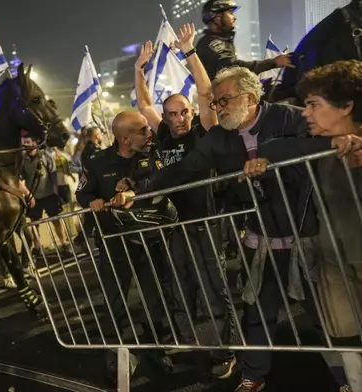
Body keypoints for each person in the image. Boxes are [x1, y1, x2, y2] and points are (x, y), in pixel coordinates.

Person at [147, 65, 362, 392]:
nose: (218, 109)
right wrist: (140, 189)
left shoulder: (289, 118)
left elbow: (300, 146)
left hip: (309, 235)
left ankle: (345, 378)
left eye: (224, 101)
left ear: (248, 97)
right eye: (215, 103)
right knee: (258, 312)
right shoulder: (219, 137)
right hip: (260, 238)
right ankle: (253, 376)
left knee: (327, 316)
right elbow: (185, 170)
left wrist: (327, 146)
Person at [242, 60, 362, 392]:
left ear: (346, 105)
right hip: (330, 261)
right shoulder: (314, 146)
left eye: (313, 104)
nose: (305, 113)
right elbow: (273, 149)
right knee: (344, 335)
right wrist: (330, 145)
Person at [133, 23, 235, 379]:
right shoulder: (163, 133)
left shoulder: (201, 133)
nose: (177, 119)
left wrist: (190, 51)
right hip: (175, 226)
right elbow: (144, 103)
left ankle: (224, 350)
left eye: (183, 113)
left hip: (205, 223)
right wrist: (138, 70)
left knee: (213, 284)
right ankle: (195, 343)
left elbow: (206, 94)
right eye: (172, 114)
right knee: (181, 284)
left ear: (192, 114)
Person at [76, 110, 174, 384]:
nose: (149, 134)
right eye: (142, 130)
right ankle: (114, 351)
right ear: (124, 138)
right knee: (114, 300)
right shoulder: (97, 162)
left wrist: (132, 187)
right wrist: (91, 202)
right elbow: (82, 193)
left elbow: (163, 182)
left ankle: (156, 348)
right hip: (114, 243)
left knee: (155, 299)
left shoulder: (152, 156)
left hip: (149, 240)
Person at [196, 0, 293, 81]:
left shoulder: (219, 40)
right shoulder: (213, 44)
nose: (235, 17)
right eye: (230, 13)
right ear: (217, 17)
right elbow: (234, 69)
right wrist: (274, 62)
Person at [19, 133, 68, 253]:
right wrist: (27, 195)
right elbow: (21, 179)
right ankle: (37, 247)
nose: (25, 145)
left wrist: (56, 193)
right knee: (35, 223)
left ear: (35, 143)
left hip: (49, 194)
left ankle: (64, 243)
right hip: (34, 197)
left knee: (56, 220)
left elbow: (53, 175)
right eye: (23, 143)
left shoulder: (45, 157)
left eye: (27, 142)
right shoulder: (23, 160)